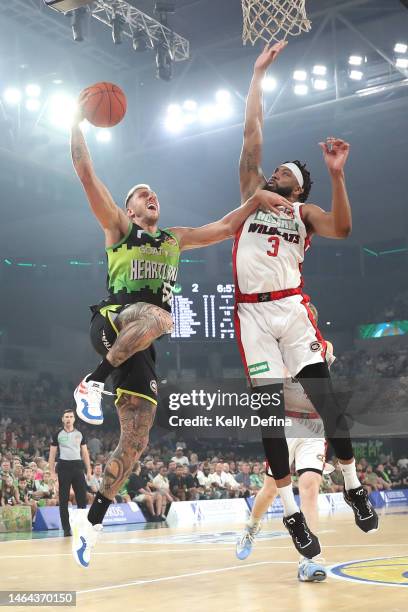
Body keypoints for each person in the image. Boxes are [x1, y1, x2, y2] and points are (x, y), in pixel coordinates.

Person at [68, 95, 284, 568]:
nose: (151, 196)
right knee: (164, 317)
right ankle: (93, 381)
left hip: (141, 344)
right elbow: (86, 173)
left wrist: (257, 199)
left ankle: (92, 523)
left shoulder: (175, 238)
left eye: (153, 193)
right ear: (127, 207)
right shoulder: (120, 229)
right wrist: (76, 121)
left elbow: (227, 226)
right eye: (142, 193)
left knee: (136, 441)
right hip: (112, 323)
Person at [235, 40, 378, 558]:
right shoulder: (252, 192)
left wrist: (338, 176)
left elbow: (343, 227)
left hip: (292, 307)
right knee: (268, 418)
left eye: (285, 175)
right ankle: (292, 518)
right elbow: (251, 136)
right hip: (252, 311)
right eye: (275, 172)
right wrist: (257, 78)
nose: (274, 174)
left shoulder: (303, 214)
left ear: (297, 188)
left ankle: (354, 484)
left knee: (328, 402)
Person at [236, 305, 332, 581]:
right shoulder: (269, 352)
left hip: (314, 425)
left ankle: (310, 558)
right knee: (270, 491)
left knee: (310, 487)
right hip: (285, 424)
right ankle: (252, 526)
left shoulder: (324, 348)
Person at [48, 409, 91, 537]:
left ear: (74, 419)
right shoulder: (57, 434)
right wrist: (52, 472)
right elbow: (52, 455)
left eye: (71, 416)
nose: (68, 419)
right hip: (63, 467)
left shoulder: (80, 433)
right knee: (63, 499)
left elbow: (85, 453)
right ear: (62, 419)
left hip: (78, 467)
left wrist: (89, 470)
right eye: (66, 416)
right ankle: (67, 529)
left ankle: (82, 526)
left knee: (81, 498)